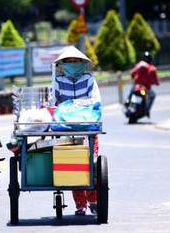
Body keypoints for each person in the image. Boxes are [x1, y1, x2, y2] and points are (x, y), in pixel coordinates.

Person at [49, 45, 101, 216]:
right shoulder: (57, 81)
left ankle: (93, 200)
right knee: (71, 166)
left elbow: (95, 101)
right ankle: (80, 205)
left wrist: (72, 106)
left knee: (91, 165)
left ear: (82, 63)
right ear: (62, 64)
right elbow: (52, 103)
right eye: (68, 61)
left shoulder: (89, 79)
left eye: (75, 61)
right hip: (65, 131)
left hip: (87, 129)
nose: (72, 63)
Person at [129, 51, 160, 117]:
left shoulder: (138, 66)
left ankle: (127, 103)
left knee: (130, 93)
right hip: (146, 88)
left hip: (136, 86)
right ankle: (147, 110)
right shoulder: (152, 69)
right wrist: (155, 83)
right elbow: (157, 82)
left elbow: (132, 74)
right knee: (153, 95)